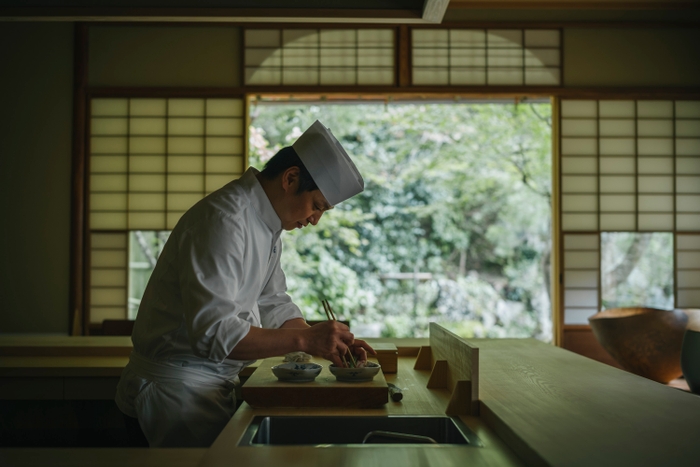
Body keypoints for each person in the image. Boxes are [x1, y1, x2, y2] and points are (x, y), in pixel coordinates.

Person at [115, 120, 374, 448]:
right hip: (175, 393)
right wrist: (305, 340)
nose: (314, 219)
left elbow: (273, 301)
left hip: (206, 387)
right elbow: (214, 333)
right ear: (290, 178)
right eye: (317, 205)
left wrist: (327, 343)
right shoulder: (224, 220)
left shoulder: (268, 226)